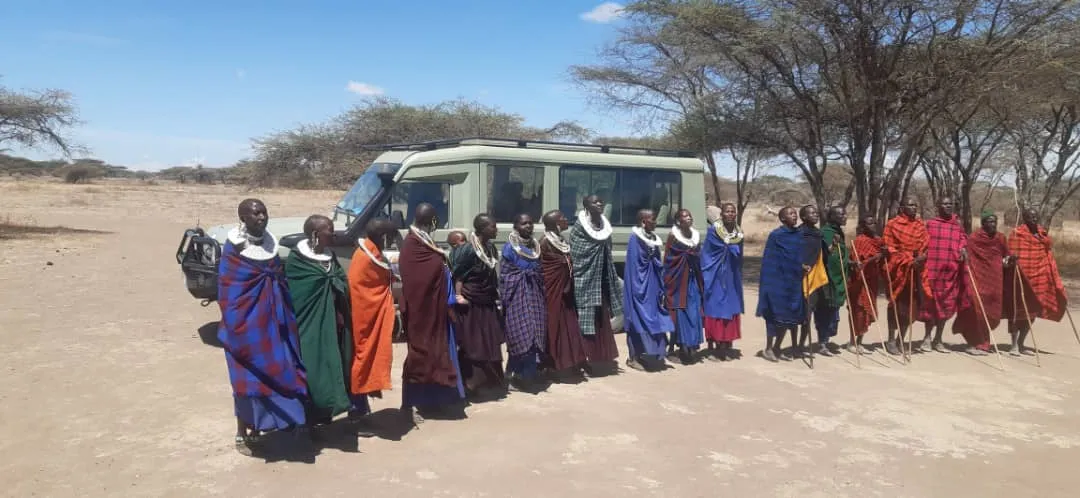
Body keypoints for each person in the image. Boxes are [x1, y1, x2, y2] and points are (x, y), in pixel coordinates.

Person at [216, 199, 308, 447]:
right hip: (245, 328)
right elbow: (229, 292)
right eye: (256, 213)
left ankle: (287, 421)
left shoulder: (270, 244)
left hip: (274, 322)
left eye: (264, 212)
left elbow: (278, 279)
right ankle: (243, 432)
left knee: (284, 366)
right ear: (243, 218)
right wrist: (240, 327)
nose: (262, 217)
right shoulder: (233, 250)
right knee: (248, 378)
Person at [398, 203, 466, 420]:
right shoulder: (412, 245)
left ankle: (435, 401)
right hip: (423, 313)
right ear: (432, 221)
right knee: (420, 355)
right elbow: (416, 281)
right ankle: (411, 404)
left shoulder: (423, 241)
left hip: (437, 311)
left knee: (438, 354)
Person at [285, 215, 352, 427]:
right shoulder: (297, 260)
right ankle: (309, 415)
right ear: (315, 234)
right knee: (313, 366)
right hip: (309, 324)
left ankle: (328, 411)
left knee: (335, 362)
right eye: (329, 231)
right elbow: (297, 291)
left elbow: (341, 279)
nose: (334, 235)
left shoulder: (329, 256)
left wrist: (337, 287)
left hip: (333, 322)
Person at [452, 214, 508, 396]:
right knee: (474, 343)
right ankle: (471, 382)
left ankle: (490, 381)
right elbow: (458, 275)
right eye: (492, 226)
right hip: (472, 303)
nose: (496, 229)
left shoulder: (490, 248)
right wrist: (458, 296)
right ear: (482, 229)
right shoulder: (468, 250)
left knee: (490, 340)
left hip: (488, 301)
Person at [347, 218, 398, 418]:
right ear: (384, 237)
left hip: (371, 317)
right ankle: (356, 412)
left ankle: (362, 408)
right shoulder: (365, 257)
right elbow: (363, 290)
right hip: (364, 319)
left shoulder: (373, 253)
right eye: (391, 238)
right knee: (362, 359)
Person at [568, 195, 623, 372]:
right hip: (585, 278)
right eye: (595, 202)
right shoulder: (579, 227)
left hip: (601, 279)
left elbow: (608, 249)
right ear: (586, 206)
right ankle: (582, 359)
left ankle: (598, 358)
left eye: (601, 201)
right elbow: (577, 252)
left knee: (600, 319)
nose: (599, 204)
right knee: (584, 318)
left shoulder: (604, 225)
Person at [1007, 208, 1069, 355]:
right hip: (1021, 279)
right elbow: (1009, 254)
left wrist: (1052, 273)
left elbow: (1048, 255)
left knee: (1033, 313)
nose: (1033, 219)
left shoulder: (1042, 235)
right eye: (1030, 217)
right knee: (1017, 312)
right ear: (1024, 218)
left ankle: (1022, 343)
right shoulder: (1017, 234)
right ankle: (1014, 345)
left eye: (1035, 217)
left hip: (1039, 279)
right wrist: (1012, 259)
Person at [952, 211, 1012, 355]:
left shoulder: (1000, 238)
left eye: (994, 222)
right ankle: (978, 342)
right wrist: (964, 254)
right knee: (976, 309)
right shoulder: (974, 238)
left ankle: (983, 341)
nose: (993, 224)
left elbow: (1006, 256)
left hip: (995, 280)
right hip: (977, 279)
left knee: (992, 312)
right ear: (983, 223)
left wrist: (1010, 260)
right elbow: (966, 254)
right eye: (989, 221)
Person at [499, 213, 547, 390]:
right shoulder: (509, 249)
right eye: (524, 223)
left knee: (535, 335)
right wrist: (522, 277)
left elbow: (540, 273)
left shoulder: (536, 248)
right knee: (519, 335)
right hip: (516, 298)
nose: (528, 226)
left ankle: (528, 376)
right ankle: (514, 375)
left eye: (530, 223)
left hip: (535, 298)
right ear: (516, 226)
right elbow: (505, 276)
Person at [539, 210, 589, 378]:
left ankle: (571, 362)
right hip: (553, 293)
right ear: (555, 224)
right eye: (562, 218)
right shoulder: (545, 242)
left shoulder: (561, 240)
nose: (566, 220)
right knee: (554, 327)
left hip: (565, 292)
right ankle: (553, 365)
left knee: (569, 327)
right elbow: (544, 269)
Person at [623, 209, 673, 371]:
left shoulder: (652, 239)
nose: (656, 222)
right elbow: (635, 267)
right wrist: (640, 290)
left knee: (655, 317)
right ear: (643, 222)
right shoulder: (635, 240)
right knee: (637, 319)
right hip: (639, 288)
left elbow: (657, 262)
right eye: (652, 219)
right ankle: (633, 357)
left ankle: (651, 352)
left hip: (652, 286)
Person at [882, 196, 931, 355]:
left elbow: (926, 246)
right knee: (896, 305)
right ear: (902, 207)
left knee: (912, 307)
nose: (914, 208)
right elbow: (889, 248)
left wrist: (922, 258)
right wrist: (908, 260)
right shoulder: (893, 224)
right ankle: (890, 340)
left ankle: (900, 339)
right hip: (898, 271)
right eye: (910, 205)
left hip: (917, 271)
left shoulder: (920, 225)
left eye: (915, 205)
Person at [919, 196, 968, 353]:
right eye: (944, 204)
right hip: (933, 273)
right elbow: (922, 244)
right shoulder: (931, 225)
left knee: (947, 307)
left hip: (951, 274)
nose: (948, 206)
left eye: (950, 204)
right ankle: (927, 337)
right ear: (938, 207)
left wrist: (962, 249)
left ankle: (938, 339)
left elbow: (963, 241)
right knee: (931, 307)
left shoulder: (957, 226)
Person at [757, 207, 806, 362]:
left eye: (795, 213)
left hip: (794, 281)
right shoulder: (776, 236)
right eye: (791, 214)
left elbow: (799, 256)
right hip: (777, 281)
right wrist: (768, 284)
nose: (795, 216)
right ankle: (769, 348)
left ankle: (778, 347)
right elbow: (769, 260)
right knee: (774, 316)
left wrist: (803, 266)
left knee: (789, 316)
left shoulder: (799, 235)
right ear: (783, 218)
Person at [701, 203, 744, 361]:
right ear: (722, 214)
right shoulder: (713, 231)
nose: (731, 214)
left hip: (731, 276)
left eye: (733, 211)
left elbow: (740, 257)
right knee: (716, 307)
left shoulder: (739, 233)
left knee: (731, 307)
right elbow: (708, 254)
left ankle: (726, 343)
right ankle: (714, 346)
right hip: (715, 275)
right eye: (727, 211)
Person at [664, 208, 705, 365]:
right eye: (684, 216)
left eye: (690, 215)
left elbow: (698, 257)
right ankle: (682, 348)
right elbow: (668, 259)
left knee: (694, 312)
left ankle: (692, 344)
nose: (688, 218)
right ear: (678, 221)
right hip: (678, 282)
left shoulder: (695, 236)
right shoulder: (673, 237)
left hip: (692, 281)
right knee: (681, 313)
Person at [846, 216, 888, 354]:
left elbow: (884, 261)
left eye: (875, 223)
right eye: (870, 223)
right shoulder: (859, 241)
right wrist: (875, 258)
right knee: (858, 310)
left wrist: (886, 254)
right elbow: (857, 264)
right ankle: (852, 342)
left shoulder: (878, 241)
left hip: (872, 281)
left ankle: (860, 342)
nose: (873, 225)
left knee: (867, 311)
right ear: (863, 226)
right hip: (859, 281)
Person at [798, 205, 833, 357]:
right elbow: (793, 252)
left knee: (812, 311)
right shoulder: (799, 233)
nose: (815, 215)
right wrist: (800, 265)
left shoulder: (818, 234)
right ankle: (798, 346)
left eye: (816, 213)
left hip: (817, 277)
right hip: (803, 276)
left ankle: (806, 345)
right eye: (811, 213)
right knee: (805, 314)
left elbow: (824, 253)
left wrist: (833, 245)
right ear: (804, 217)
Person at [817, 206, 850, 356]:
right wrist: (833, 245)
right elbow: (826, 256)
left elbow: (840, 257)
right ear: (832, 217)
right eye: (841, 214)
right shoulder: (826, 233)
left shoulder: (838, 232)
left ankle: (826, 340)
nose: (845, 216)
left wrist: (850, 264)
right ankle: (822, 342)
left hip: (838, 278)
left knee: (833, 310)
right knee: (825, 309)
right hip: (828, 279)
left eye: (844, 213)